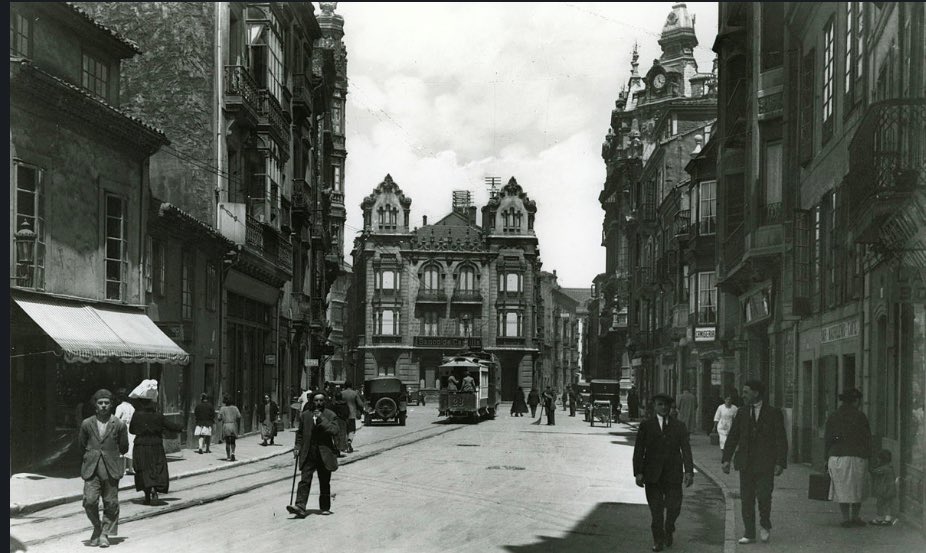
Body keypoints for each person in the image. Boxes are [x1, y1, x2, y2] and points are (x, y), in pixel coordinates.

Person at [722, 380, 788, 545]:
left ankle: (765, 524)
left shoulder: (773, 413)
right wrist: (726, 459)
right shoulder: (742, 412)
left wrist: (780, 462)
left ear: (756, 393)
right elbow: (733, 437)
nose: (742, 395)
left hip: (766, 463)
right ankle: (749, 533)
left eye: (746, 392)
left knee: (764, 496)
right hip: (746, 463)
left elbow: (781, 439)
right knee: (747, 498)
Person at [633, 393, 695, 552]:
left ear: (670, 407)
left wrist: (689, 471)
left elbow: (686, 449)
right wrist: (638, 472)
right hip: (652, 475)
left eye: (666, 405)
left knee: (674, 507)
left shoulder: (679, 426)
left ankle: (669, 528)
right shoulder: (646, 426)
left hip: (673, 475)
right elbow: (639, 450)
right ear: (654, 406)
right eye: (660, 404)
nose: (664, 407)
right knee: (656, 511)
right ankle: (658, 540)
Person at [80, 389, 129, 548]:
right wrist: (91, 455)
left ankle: (104, 534)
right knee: (89, 501)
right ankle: (97, 527)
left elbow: (124, 447)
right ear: (95, 405)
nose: (103, 406)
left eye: (106, 403)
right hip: (91, 469)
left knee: (111, 503)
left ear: (111, 405)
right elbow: (81, 444)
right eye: (100, 403)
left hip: (111, 469)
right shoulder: (87, 423)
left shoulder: (119, 424)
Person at [824, 387, 872, 528]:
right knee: (858, 488)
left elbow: (828, 438)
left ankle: (845, 518)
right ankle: (855, 517)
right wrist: (870, 455)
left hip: (838, 456)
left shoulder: (833, 416)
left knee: (842, 488)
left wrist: (825, 458)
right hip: (858, 457)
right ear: (856, 401)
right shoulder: (860, 416)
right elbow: (867, 438)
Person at [288, 393, 340, 518]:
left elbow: (334, 430)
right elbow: (300, 434)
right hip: (308, 452)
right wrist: (297, 447)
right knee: (304, 480)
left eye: (321, 400)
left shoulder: (330, 415)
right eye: (316, 400)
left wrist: (322, 418)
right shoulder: (305, 415)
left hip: (324, 453)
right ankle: (300, 506)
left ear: (325, 401)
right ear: (312, 401)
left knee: (324, 481)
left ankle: (325, 507)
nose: (319, 403)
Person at [129, 389, 183, 506]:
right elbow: (171, 426)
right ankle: (155, 489)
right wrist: (180, 426)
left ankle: (147, 495)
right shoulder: (158, 415)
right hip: (155, 445)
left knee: (143, 468)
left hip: (141, 445)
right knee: (157, 467)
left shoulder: (137, 415)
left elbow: (132, 430)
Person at [869, 449, 898, 526]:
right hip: (890, 490)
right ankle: (888, 519)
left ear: (881, 459)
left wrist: (871, 468)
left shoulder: (882, 468)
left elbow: (874, 472)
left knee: (880, 505)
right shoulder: (890, 468)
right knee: (888, 505)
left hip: (883, 490)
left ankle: (879, 519)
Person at [113, 389, 135, 475]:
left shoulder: (120, 407)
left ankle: (122, 470)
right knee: (130, 448)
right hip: (131, 428)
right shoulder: (132, 407)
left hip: (123, 428)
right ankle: (130, 468)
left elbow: (116, 419)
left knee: (121, 447)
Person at [340, 381, 365, 453]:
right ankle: (349, 442)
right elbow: (360, 404)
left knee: (344, 430)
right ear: (351, 386)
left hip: (343, 414)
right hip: (352, 414)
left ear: (344, 386)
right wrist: (360, 410)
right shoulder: (355, 393)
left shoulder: (342, 393)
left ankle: (344, 446)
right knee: (351, 430)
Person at [218, 395, 242, 462]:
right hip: (233, 425)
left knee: (228, 442)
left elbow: (219, 418)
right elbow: (239, 416)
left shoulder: (222, 408)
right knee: (233, 441)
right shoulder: (235, 408)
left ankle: (228, 456)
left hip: (226, 425)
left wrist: (222, 417)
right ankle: (233, 453)